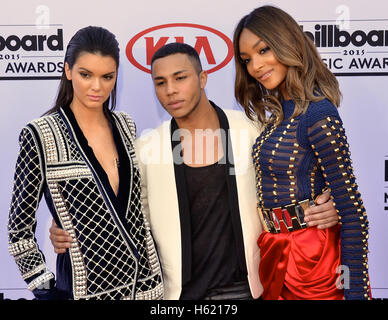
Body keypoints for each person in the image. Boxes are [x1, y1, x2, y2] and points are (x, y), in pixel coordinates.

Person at [50, 42, 339, 300]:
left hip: (247, 287)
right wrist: (67, 224)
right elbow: (125, 215)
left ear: (202, 79)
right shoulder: (147, 148)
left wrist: (330, 203)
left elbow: (296, 177)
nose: (170, 90)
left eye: (180, 78)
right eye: (160, 82)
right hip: (179, 294)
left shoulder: (251, 129)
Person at [7, 26, 163, 300]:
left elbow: (136, 209)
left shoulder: (126, 125)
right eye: (85, 74)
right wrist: (47, 292)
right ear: (68, 71)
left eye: (107, 77)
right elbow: (19, 232)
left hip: (148, 289)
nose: (97, 87)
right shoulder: (40, 135)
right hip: (84, 292)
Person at [233, 5, 371, 300]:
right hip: (275, 254)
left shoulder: (318, 113)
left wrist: (354, 291)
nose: (255, 66)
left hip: (315, 263)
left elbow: (352, 212)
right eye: (247, 60)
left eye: (264, 50)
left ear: (288, 44)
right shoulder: (275, 117)